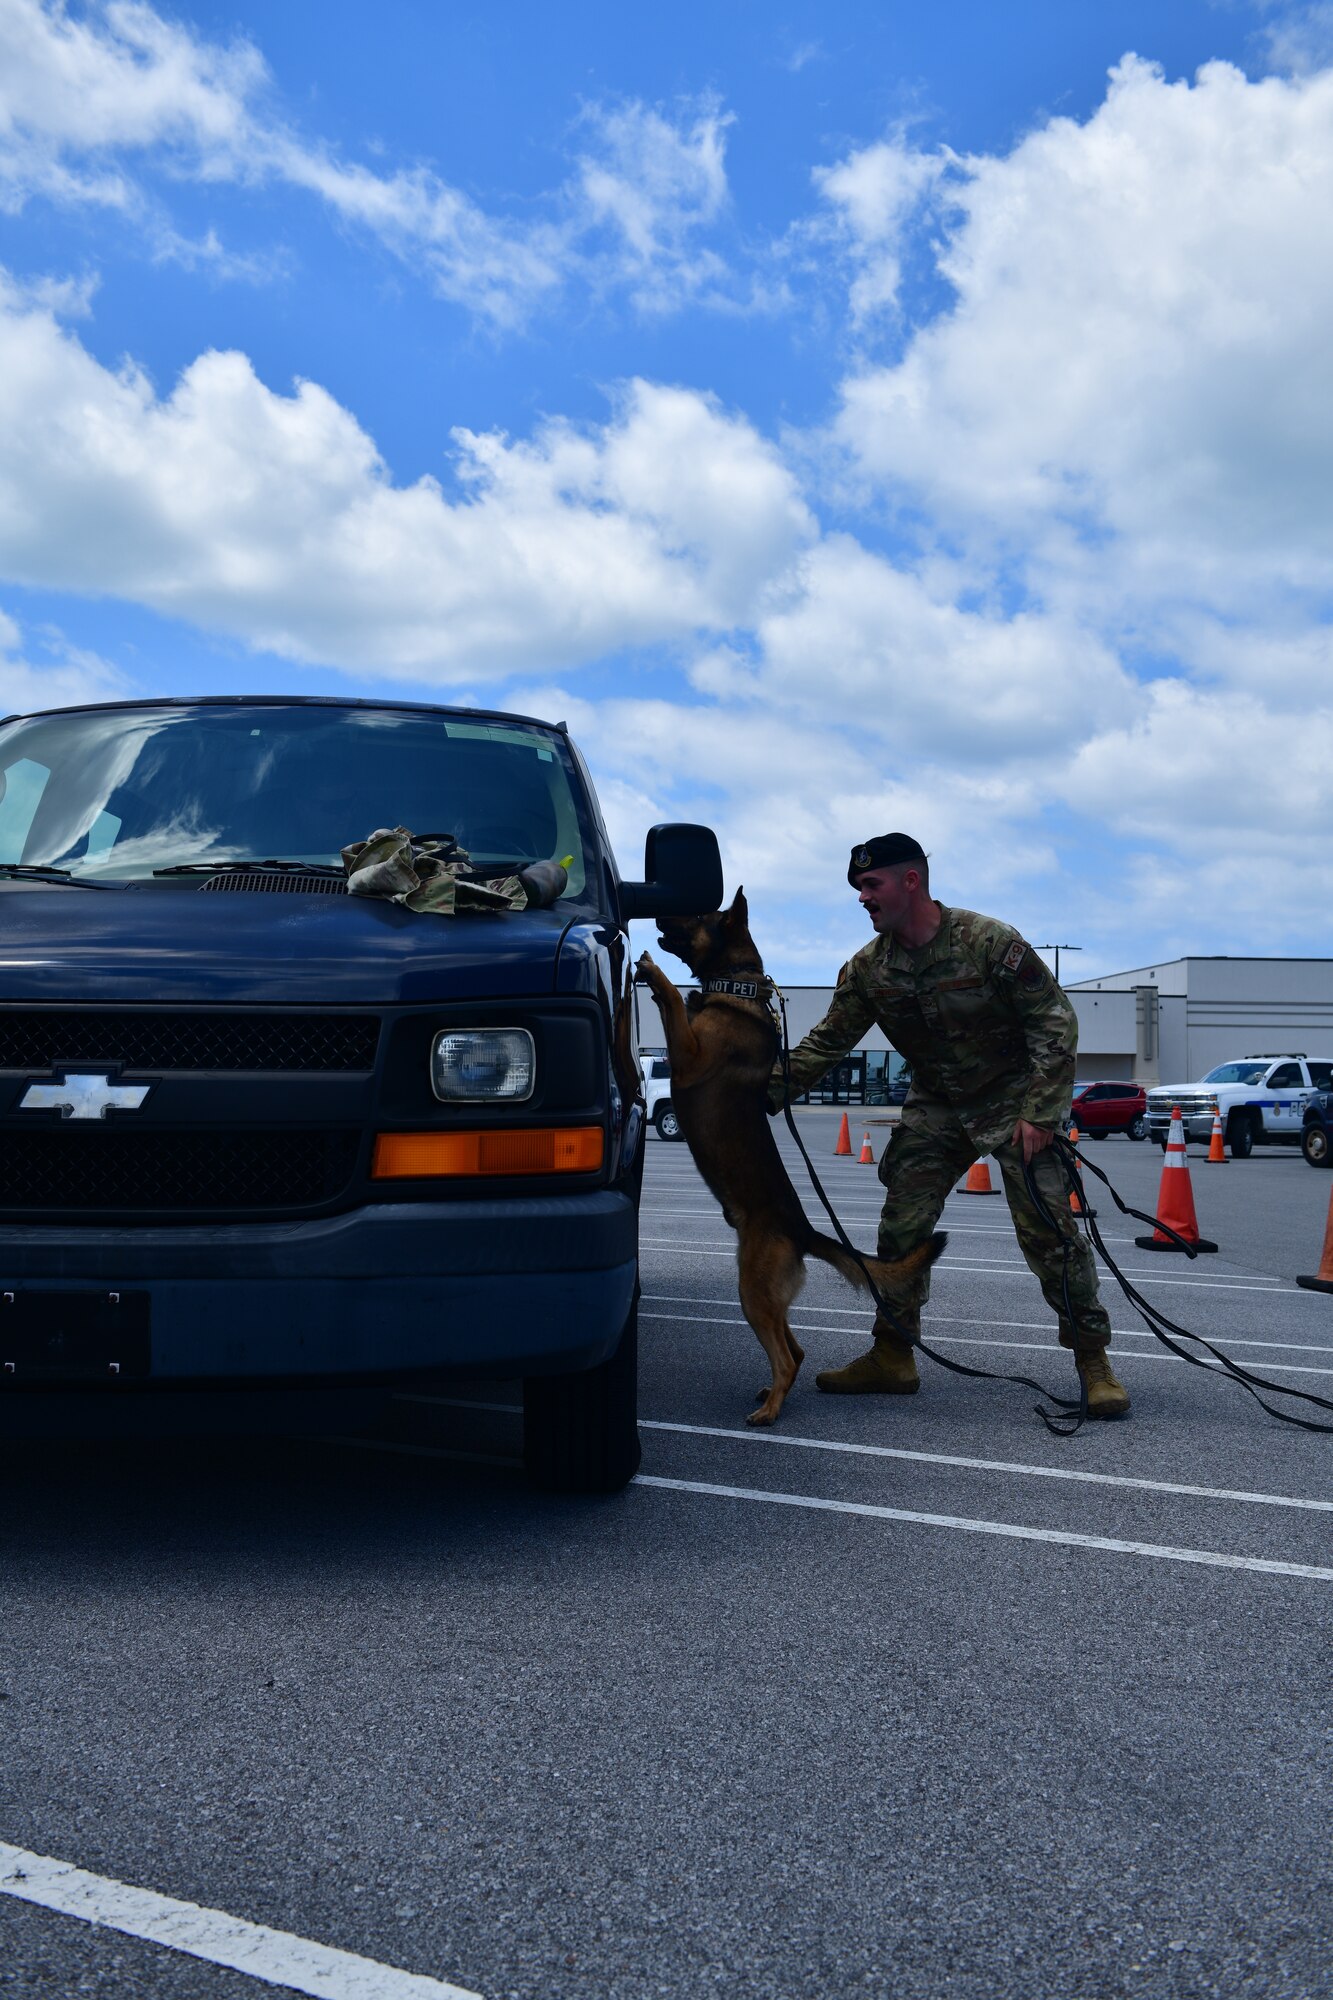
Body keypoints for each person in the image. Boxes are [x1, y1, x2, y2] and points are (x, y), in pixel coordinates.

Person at [767, 834, 1130, 1418]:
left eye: (871, 884)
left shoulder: (988, 942)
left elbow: (1054, 1022)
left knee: (1049, 1231)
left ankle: (1093, 1362)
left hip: (1015, 1100)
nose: (862, 897)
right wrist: (760, 1089)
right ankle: (893, 1356)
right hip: (939, 1104)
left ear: (912, 880)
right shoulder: (867, 970)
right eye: (857, 887)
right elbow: (826, 1044)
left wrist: (1040, 1111)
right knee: (901, 1227)